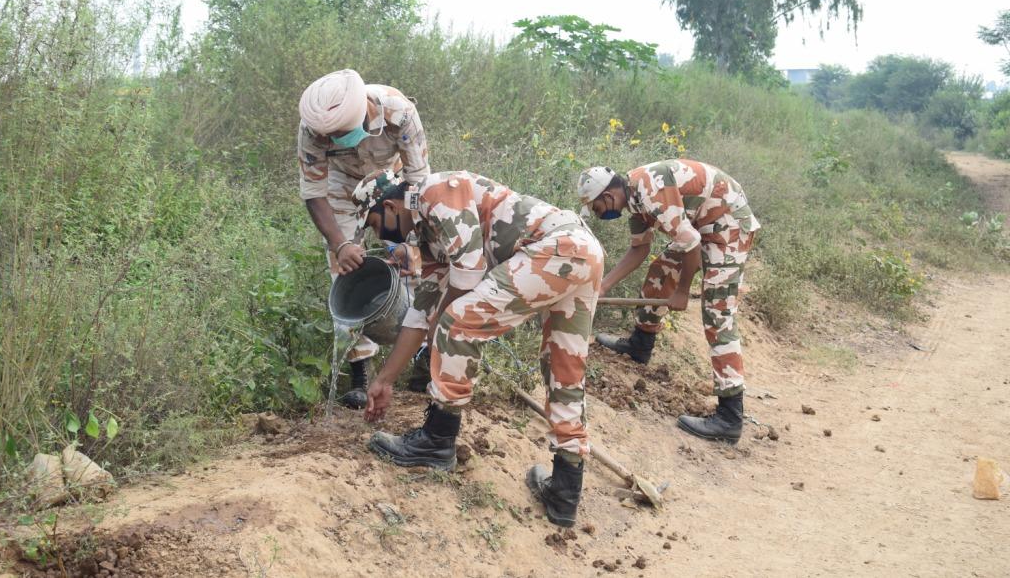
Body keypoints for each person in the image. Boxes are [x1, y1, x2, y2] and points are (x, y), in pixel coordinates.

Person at [353, 170, 603, 528]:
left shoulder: (436, 193)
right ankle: (565, 489)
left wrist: (442, 324)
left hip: (558, 247)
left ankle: (437, 440)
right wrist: (385, 379)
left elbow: (467, 278)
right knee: (564, 367)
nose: (380, 235)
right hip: (579, 252)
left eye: (375, 224)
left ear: (390, 206)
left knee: (457, 321)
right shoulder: (431, 235)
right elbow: (420, 313)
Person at [577, 161, 760, 444]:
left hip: (729, 225)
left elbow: (692, 245)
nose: (601, 216)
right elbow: (639, 249)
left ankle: (730, 415)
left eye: (598, 209)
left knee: (718, 311)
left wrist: (683, 291)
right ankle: (640, 344)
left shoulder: (651, 192)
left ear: (608, 196)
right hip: (702, 226)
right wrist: (604, 286)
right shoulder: (634, 200)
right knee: (660, 274)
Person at [297, 69, 431, 409]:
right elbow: (314, 192)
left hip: (393, 183)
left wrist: (405, 236)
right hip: (341, 188)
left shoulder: (399, 112)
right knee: (345, 271)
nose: (329, 141)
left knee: (412, 263)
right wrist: (340, 244)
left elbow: (418, 180)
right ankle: (359, 372)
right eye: (325, 137)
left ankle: (424, 355)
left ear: (360, 117)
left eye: (337, 135)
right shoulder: (312, 128)